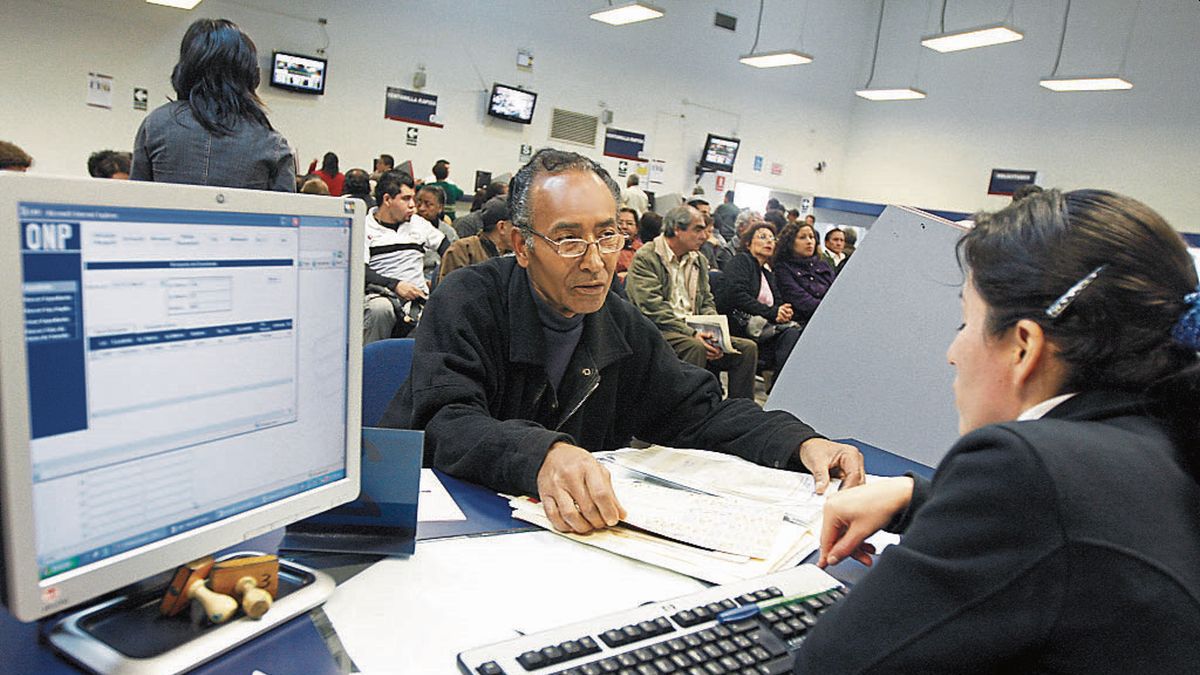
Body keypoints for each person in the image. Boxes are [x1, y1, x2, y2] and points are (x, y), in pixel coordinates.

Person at [798, 189, 1200, 673]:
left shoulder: (1022, 464)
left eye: (966, 321)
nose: (953, 352)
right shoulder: (1165, 434)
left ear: (1024, 347)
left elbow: (834, 663)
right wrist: (919, 499)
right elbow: (1092, 534)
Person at [381, 149, 864, 534]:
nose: (595, 262)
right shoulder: (468, 299)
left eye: (608, 236)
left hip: (556, 534)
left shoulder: (618, 321)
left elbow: (699, 412)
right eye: (569, 240)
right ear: (523, 246)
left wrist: (801, 442)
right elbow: (446, 421)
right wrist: (544, 454)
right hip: (447, 522)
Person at [131, 18, 295, 191]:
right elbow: (285, 214)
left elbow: (134, 200)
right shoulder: (271, 143)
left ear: (185, 68)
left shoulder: (156, 124)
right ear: (250, 75)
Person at [626, 205, 758, 400]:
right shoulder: (647, 257)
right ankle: (685, 412)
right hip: (658, 329)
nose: (704, 236)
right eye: (698, 229)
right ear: (677, 230)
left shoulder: (699, 260)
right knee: (694, 347)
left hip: (695, 328)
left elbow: (706, 301)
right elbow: (652, 309)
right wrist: (693, 334)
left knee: (747, 349)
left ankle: (739, 412)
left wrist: (715, 333)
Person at [363, 170, 448, 343]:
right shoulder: (365, 227)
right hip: (381, 294)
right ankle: (370, 364)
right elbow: (360, 270)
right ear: (387, 200)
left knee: (444, 313)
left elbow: (448, 249)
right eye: (406, 199)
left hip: (418, 297)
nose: (413, 206)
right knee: (380, 309)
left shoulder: (417, 224)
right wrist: (395, 285)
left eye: (413, 199)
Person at [714, 221, 802, 374]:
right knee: (791, 334)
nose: (769, 241)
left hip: (765, 329)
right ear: (748, 244)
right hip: (741, 325)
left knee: (796, 334)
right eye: (762, 237)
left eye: (772, 238)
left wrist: (783, 312)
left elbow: (778, 302)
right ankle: (778, 386)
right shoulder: (741, 261)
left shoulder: (767, 273)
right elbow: (737, 295)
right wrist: (772, 313)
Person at [773, 222, 836, 329]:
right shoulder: (783, 268)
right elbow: (802, 301)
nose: (809, 241)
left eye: (812, 237)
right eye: (802, 237)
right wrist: (831, 310)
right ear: (790, 242)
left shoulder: (823, 264)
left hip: (830, 318)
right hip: (803, 323)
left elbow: (836, 293)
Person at [438, 197, 512, 283]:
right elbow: (450, 292)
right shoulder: (463, 250)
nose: (522, 232)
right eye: (518, 225)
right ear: (502, 227)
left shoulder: (516, 256)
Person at [613, 206, 643, 281]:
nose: (624, 227)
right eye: (620, 223)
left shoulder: (643, 250)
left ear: (637, 229)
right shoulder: (606, 249)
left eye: (629, 223)